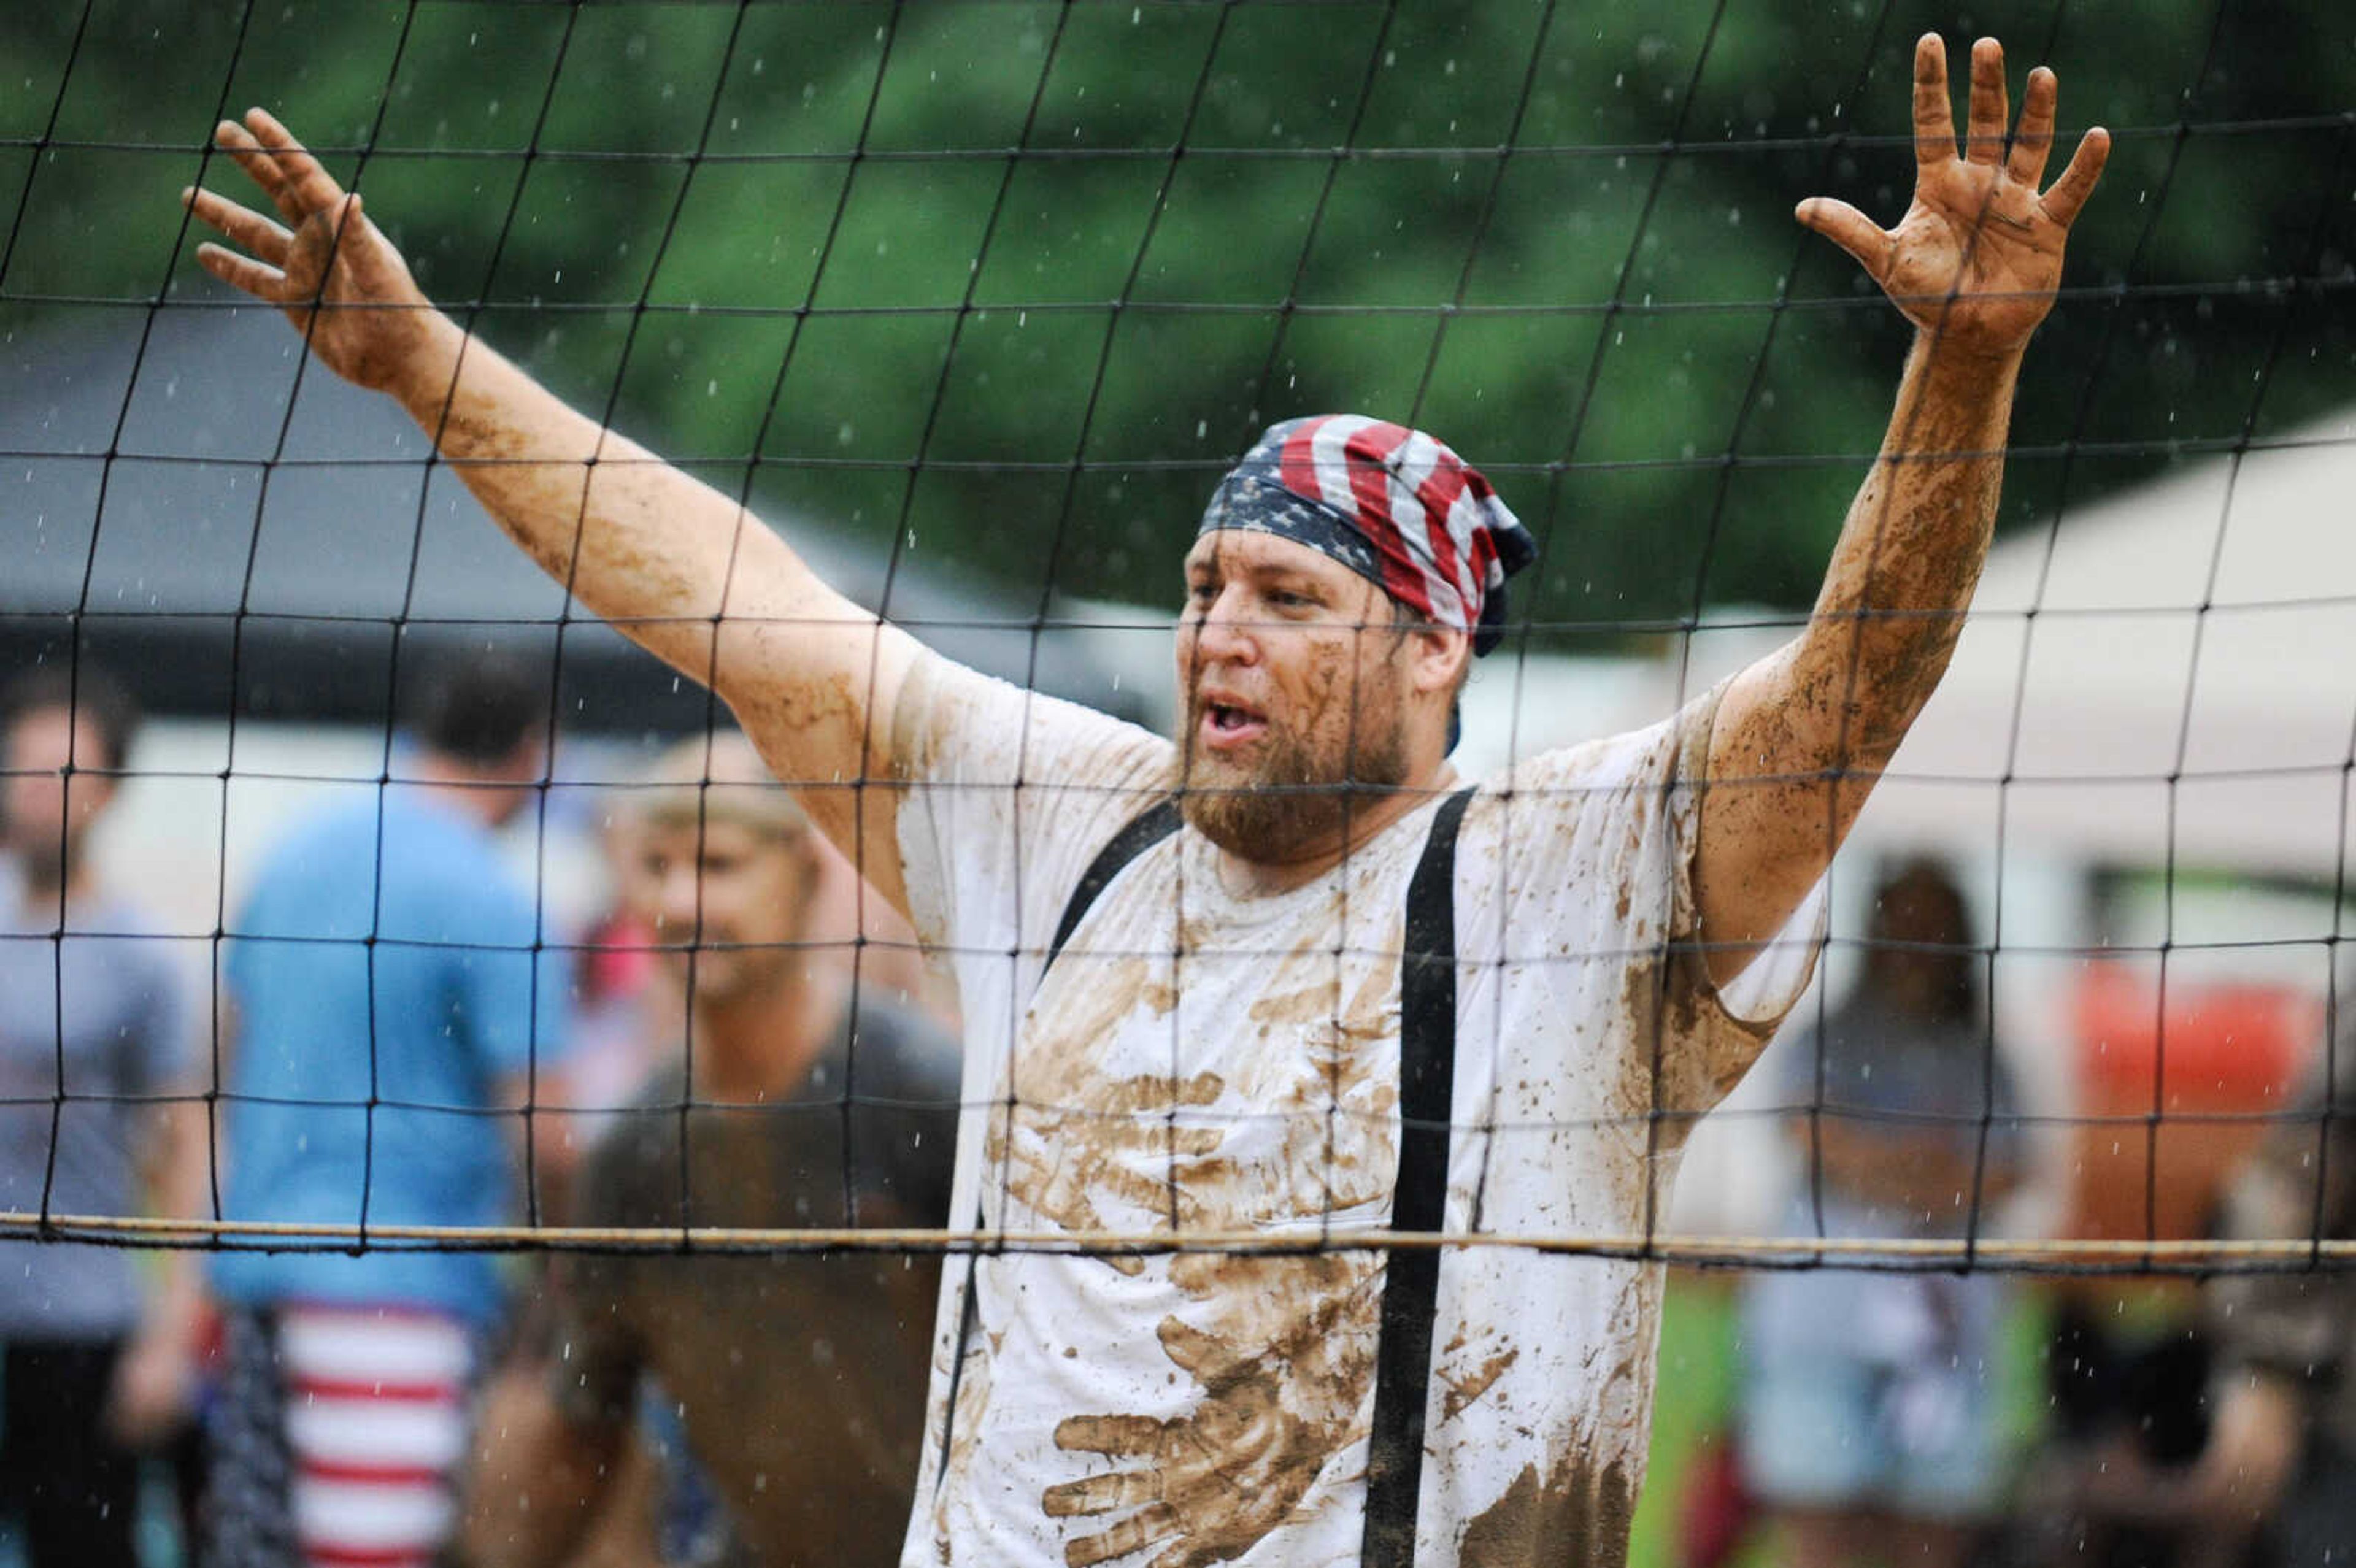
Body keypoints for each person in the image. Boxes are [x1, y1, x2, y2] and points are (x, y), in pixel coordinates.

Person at [182, 33, 2107, 1566]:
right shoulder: (1059, 817)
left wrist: (1958, 375)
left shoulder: (1564, 870)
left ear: (1432, 649)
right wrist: (425, 369)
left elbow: (1855, 680)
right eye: (1200, 590)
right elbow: (734, 599)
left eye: (1285, 596)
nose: (1217, 634)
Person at [461, 732, 960, 1568]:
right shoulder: (637, 1153)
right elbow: (585, 1426)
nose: (683, 900)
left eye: (719, 865)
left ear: (805, 874)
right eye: (656, 868)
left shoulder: (921, 1092)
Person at [201, 653, 577, 1568]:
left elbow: (217, 1060)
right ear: (533, 752)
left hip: (259, 1278)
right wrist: (567, 1285)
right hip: (402, 1298)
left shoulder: (292, 856)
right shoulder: (493, 899)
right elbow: (551, 1137)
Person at [1734, 857, 2024, 1568]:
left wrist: (1883, 1166)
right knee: (1822, 1522)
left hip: (1943, 1332)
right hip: (1824, 1318)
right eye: (1904, 922)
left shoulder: (1985, 1056)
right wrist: (1923, 1171)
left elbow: (2002, 1174)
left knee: (1932, 1525)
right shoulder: (1827, 1037)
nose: (1916, 944)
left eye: (1934, 926)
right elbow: (1817, 1142)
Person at [0, 663, 209, 1568]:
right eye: (25, 769)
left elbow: (187, 1154)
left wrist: (172, 1340)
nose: (42, 795)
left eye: (67, 774)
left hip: (80, 1330)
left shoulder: (143, 963)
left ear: (111, 793)